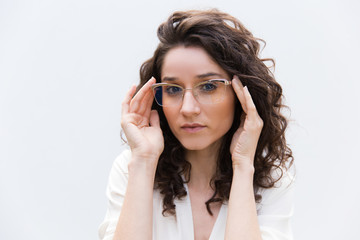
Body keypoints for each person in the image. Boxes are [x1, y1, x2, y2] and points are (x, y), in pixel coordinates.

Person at [99, 9, 295, 240]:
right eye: (173, 89)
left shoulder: (271, 180)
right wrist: (143, 161)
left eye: (209, 86)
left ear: (242, 94)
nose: (188, 108)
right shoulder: (132, 168)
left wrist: (242, 166)